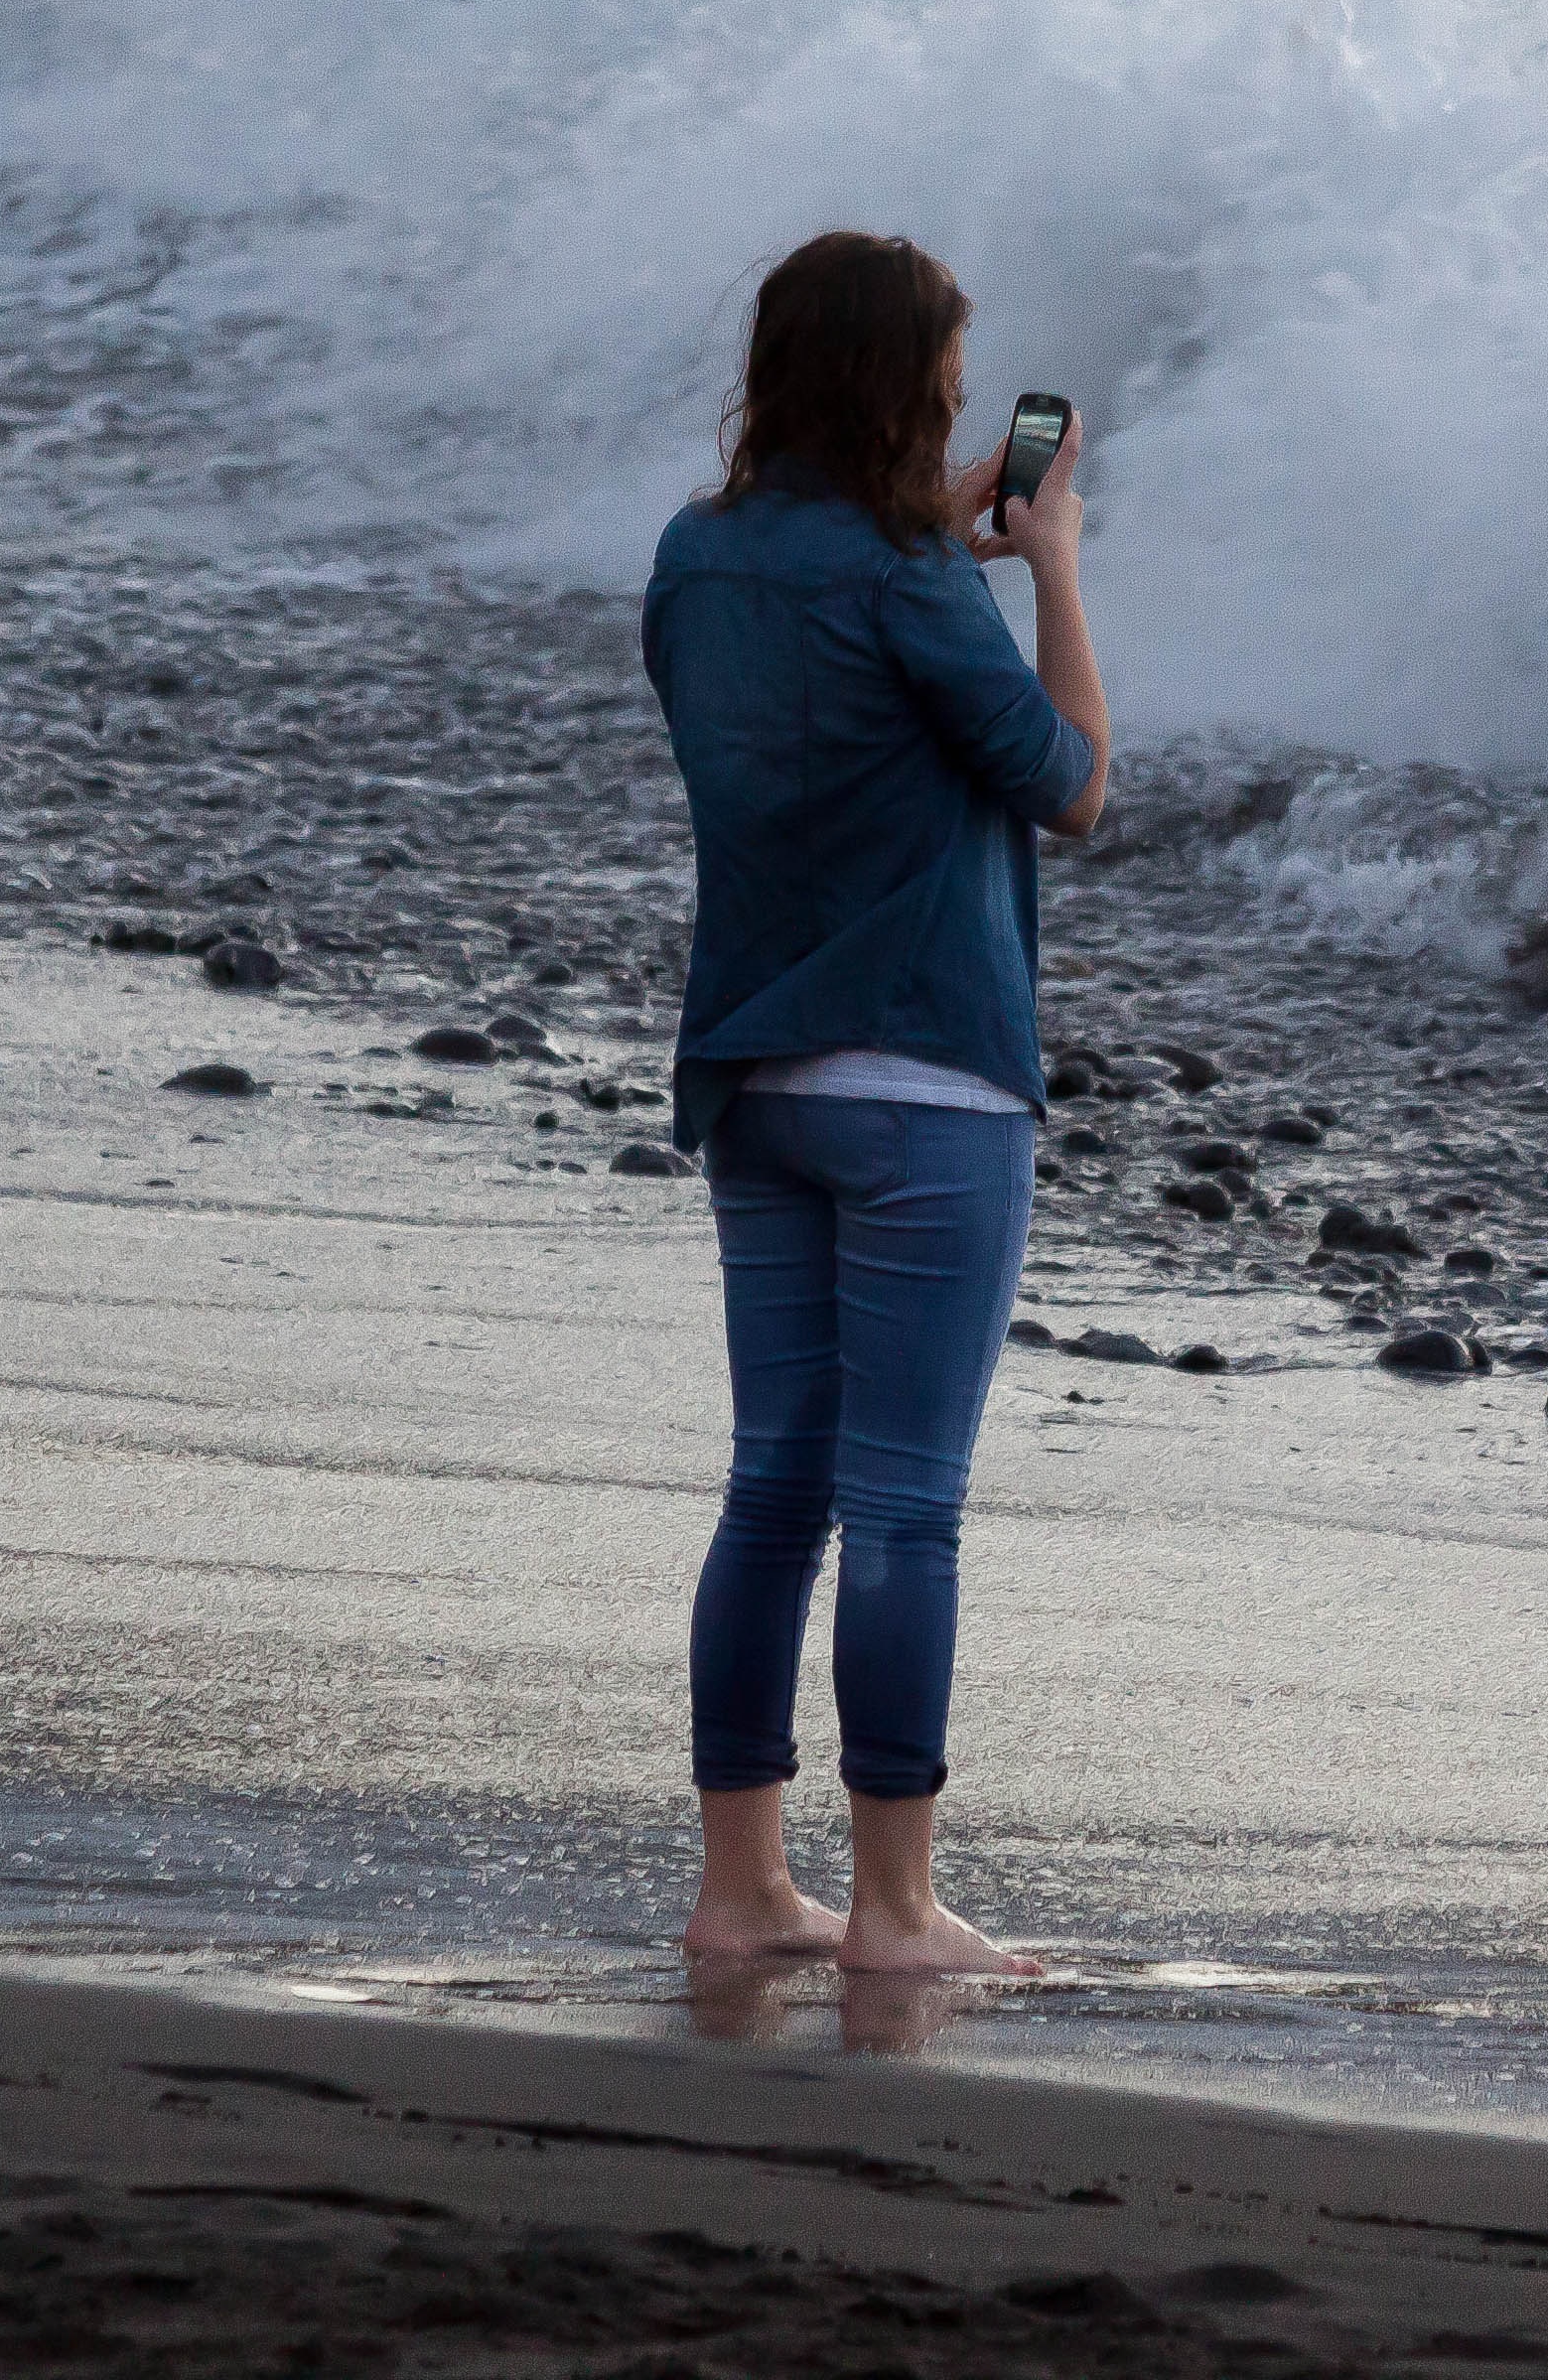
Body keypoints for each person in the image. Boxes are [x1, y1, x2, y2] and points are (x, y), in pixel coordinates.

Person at [639, 229, 1111, 1980]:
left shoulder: (698, 557)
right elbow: (1067, 780)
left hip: (755, 1070)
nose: (965, 400)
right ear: (903, 380)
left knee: (777, 1492)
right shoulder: (919, 579)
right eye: (947, 373)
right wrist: (1040, 563)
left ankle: (744, 1890)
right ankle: (898, 1913)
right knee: (906, 1507)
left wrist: (932, 542)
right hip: (923, 1074)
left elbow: (792, 741)